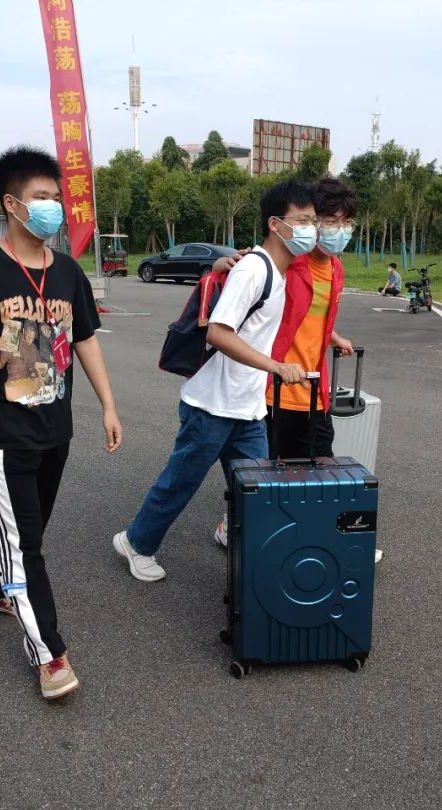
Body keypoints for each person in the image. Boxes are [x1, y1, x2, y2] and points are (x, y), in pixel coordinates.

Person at [0, 146, 123, 701]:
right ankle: (49, 655)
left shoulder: (68, 272)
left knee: (25, 534)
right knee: (25, 547)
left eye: (56, 197)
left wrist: (108, 405)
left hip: (54, 427)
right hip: (0, 434)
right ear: (12, 205)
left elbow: (84, 340)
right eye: (41, 198)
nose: (53, 207)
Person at [111, 180, 314, 583]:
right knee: (180, 484)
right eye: (303, 221)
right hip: (212, 407)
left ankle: (235, 538)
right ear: (275, 224)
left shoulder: (276, 271)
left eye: (314, 221)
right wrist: (275, 367)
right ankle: (136, 542)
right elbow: (218, 333)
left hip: (247, 408)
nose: (312, 230)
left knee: (256, 490)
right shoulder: (255, 270)